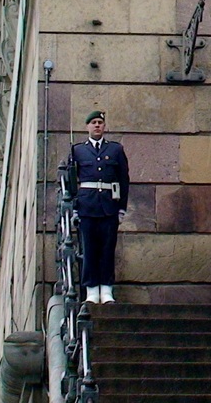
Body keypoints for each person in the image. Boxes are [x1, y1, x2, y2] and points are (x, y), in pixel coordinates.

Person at [71, 110, 130, 304]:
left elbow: (123, 179)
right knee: (89, 249)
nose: (97, 125)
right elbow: (72, 181)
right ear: (87, 126)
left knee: (107, 249)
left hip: (108, 207)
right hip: (87, 207)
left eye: (100, 122)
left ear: (104, 127)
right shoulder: (78, 151)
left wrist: (121, 207)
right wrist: (74, 208)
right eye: (93, 122)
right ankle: (91, 291)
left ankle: (106, 290)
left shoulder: (115, 150)